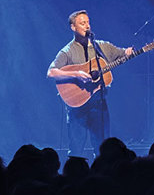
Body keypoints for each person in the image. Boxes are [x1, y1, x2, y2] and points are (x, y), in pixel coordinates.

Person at [47, 10, 132, 158]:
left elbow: (122, 53)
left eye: (88, 22)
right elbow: (51, 72)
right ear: (73, 27)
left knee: (102, 149)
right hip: (77, 107)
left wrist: (129, 52)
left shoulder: (101, 46)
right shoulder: (67, 51)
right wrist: (76, 74)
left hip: (99, 104)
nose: (87, 26)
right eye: (82, 23)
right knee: (76, 150)